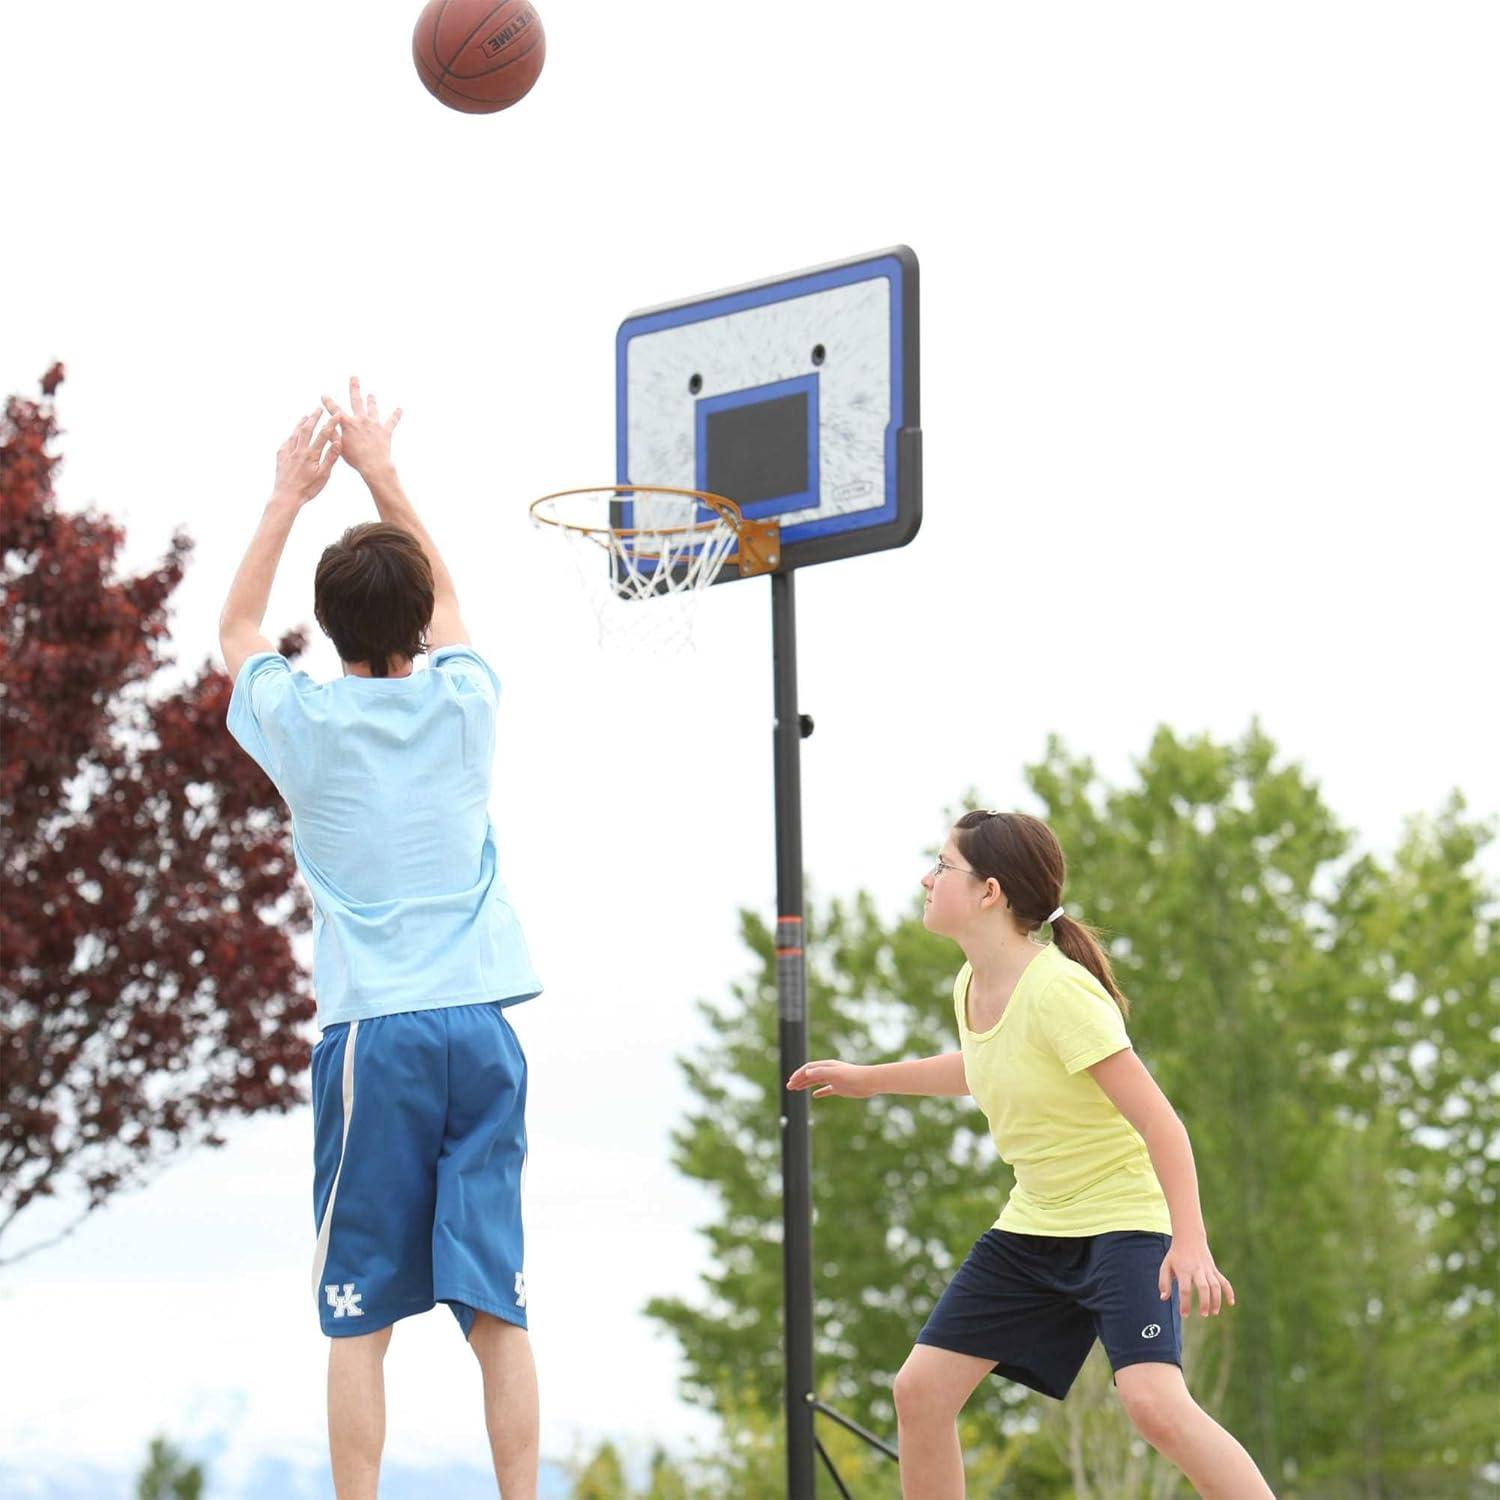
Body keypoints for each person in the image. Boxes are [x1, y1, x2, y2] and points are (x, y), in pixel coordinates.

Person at [219, 379, 542, 1500]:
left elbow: (237, 631)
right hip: (484, 1034)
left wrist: (286, 494)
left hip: (376, 1041)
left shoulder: (300, 723)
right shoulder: (466, 703)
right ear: (415, 631)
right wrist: (379, 472)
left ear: (339, 630)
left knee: (359, 1313)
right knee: (496, 1308)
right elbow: (445, 597)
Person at [787, 810, 1276, 1499]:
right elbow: (987, 1066)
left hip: (1122, 1226)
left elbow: (1162, 1124)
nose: (926, 879)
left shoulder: (1061, 992)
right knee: (920, 1392)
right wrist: (869, 1079)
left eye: (942, 866)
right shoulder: (972, 984)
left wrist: (1189, 1243)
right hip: (1034, 1226)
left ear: (990, 893)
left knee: (1154, 1406)